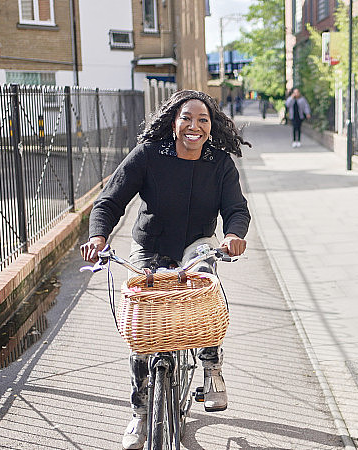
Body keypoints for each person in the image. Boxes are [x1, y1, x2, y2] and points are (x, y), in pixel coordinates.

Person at [80, 90, 251, 450]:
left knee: (205, 299)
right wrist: (98, 237)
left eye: (202, 120)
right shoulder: (147, 156)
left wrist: (234, 234)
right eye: (186, 118)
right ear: (173, 122)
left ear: (211, 126)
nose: (194, 126)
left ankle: (212, 368)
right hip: (150, 246)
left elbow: (237, 208)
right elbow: (110, 200)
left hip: (197, 244)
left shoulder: (219, 163)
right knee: (142, 334)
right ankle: (140, 412)